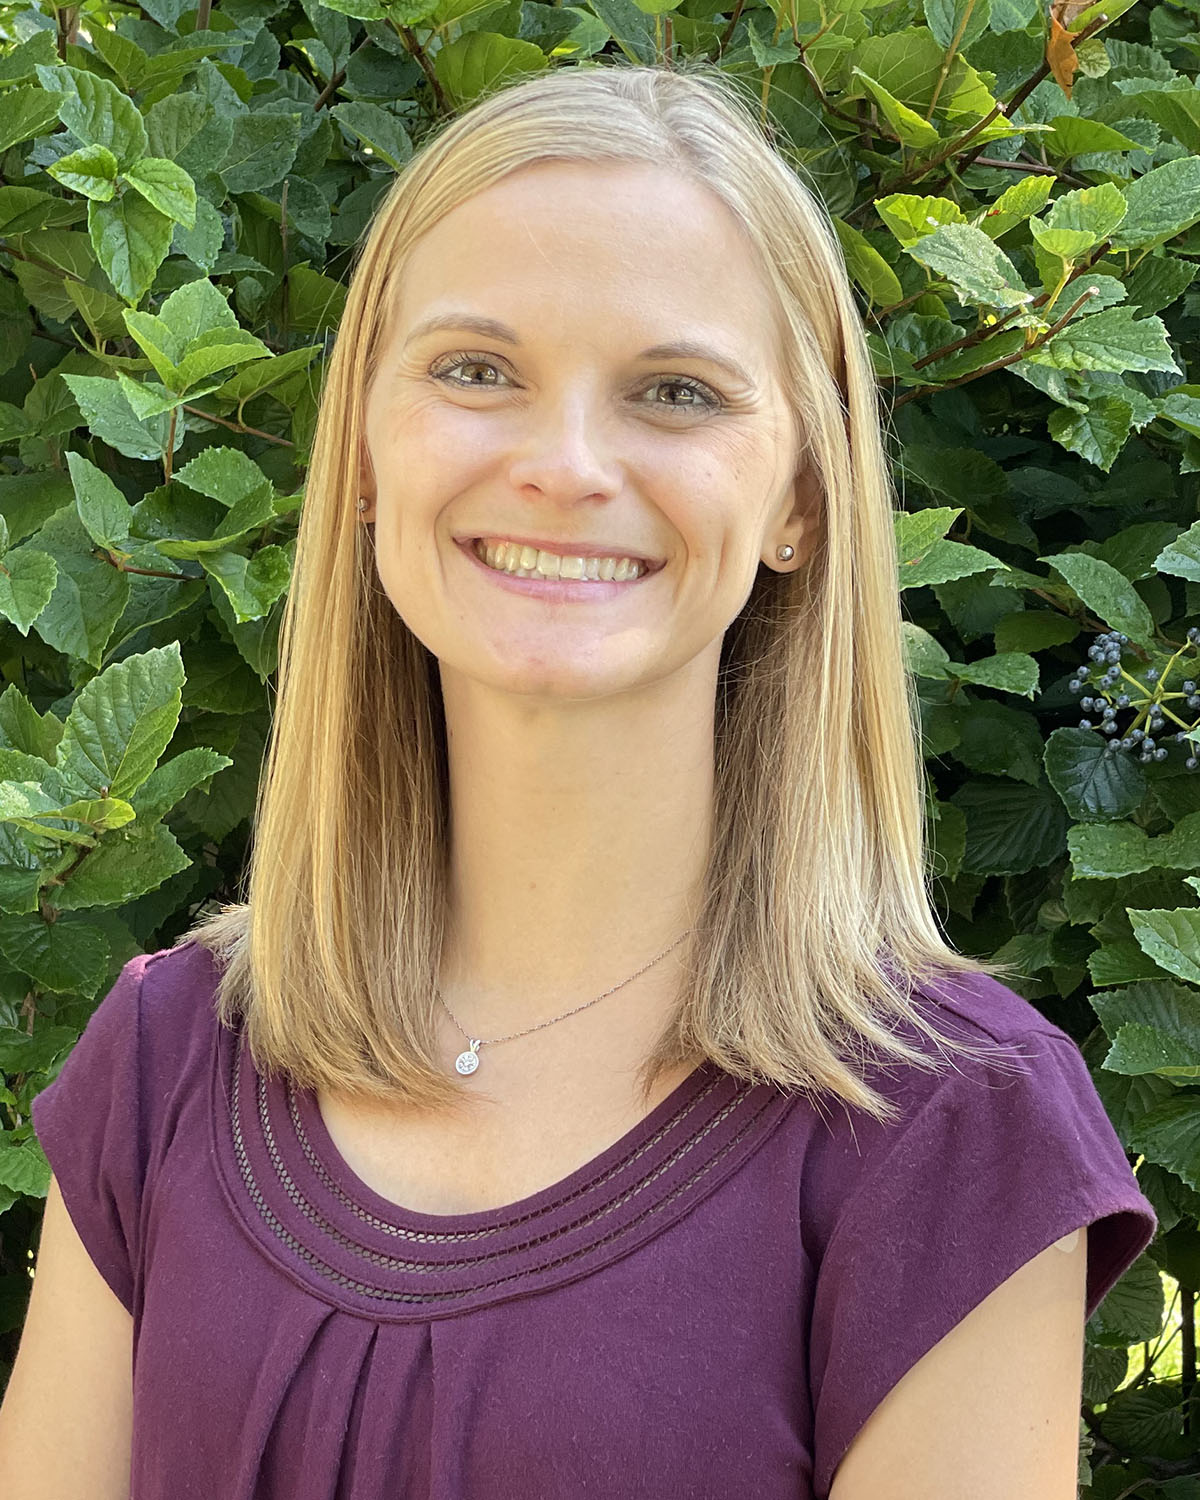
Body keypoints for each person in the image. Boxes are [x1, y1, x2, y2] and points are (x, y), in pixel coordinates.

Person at [2, 60, 1156, 1500]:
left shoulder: (947, 1135)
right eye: (477, 370)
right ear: (365, 446)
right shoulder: (167, 1062)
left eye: (674, 393)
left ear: (799, 497)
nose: (564, 465)